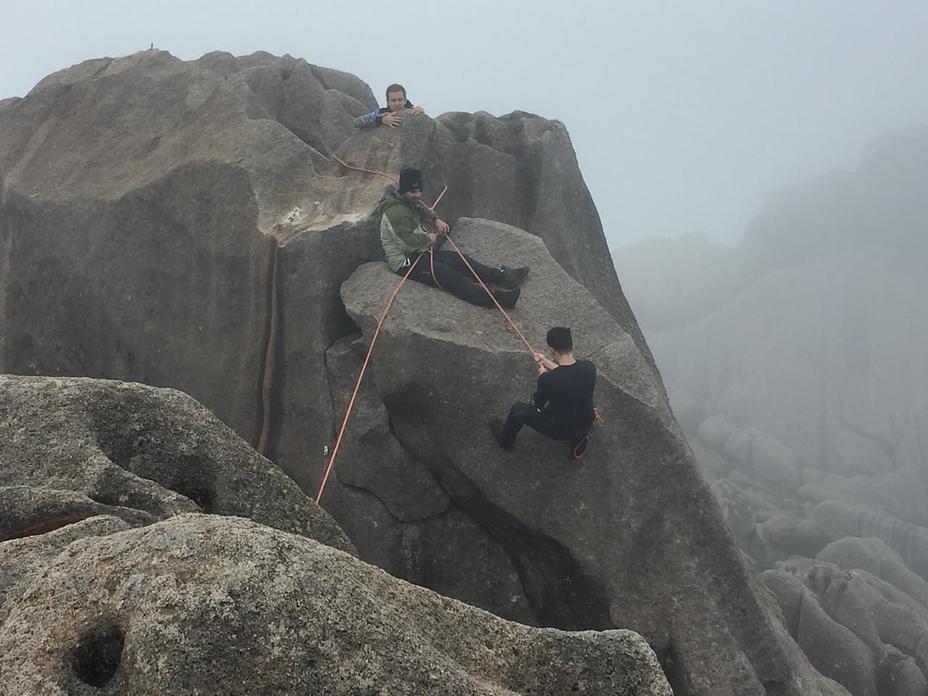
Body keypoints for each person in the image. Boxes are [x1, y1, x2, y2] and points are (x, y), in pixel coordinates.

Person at [377, 167, 529, 309]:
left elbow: (421, 211)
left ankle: (503, 277)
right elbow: (407, 242)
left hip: (420, 253)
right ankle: (498, 299)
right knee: (451, 278)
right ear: (403, 191)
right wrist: (428, 239)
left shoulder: (408, 202)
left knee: (461, 260)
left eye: (419, 191)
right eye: (412, 192)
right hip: (405, 261)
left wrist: (435, 220)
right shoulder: (395, 213)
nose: (417, 195)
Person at [490, 327, 596, 458]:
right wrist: (546, 361)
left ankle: (505, 442)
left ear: (552, 349)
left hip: (561, 430)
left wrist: (542, 377)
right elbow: (570, 373)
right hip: (585, 424)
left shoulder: (548, 380)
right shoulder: (589, 368)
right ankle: (578, 442)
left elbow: (538, 405)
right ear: (571, 345)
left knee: (519, 410)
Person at [354, 83, 425, 129]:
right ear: (388, 102)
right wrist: (382, 120)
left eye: (400, 100)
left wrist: (421, 111)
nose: (397, 103)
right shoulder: (382, 112)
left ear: (405, 100)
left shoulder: (412, 110)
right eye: (393, 100)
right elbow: (357, 122)